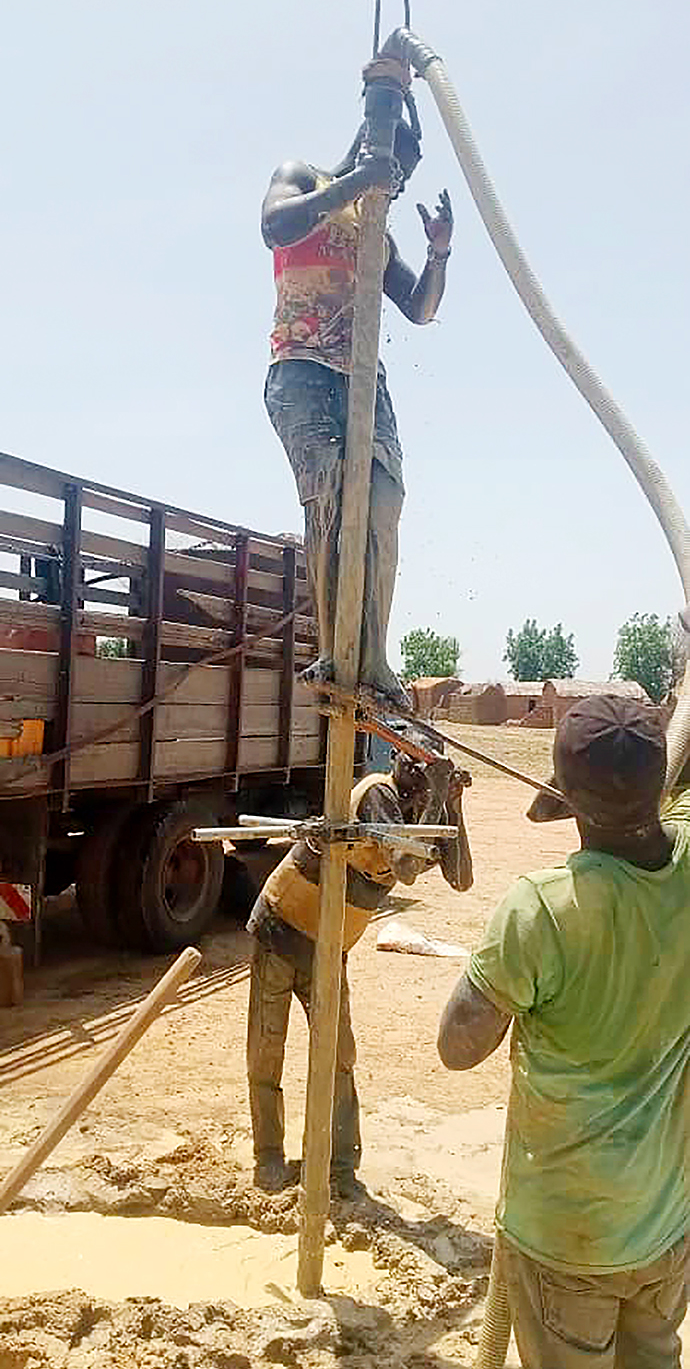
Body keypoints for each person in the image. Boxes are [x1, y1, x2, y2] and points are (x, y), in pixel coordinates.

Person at [437, 694, 690, 1368]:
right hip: (664, 1229)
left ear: (566, 795)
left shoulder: (540, 909)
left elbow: (457, 1047)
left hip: (564, 1238)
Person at [261, 113, 454, 711]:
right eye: (392, 170)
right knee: (333, 498)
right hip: (302, 370)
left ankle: (373, 658)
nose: (393, 187)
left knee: (383, 501)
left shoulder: (378, 233)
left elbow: (419, 309)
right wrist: (357, 182)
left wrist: (439, 251)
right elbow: (275, 227)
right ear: (369, 146)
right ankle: (334, 650)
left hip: (364, 378)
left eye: (401, 180)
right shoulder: (304, 177)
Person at [247, 751, 472, 1193]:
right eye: (416, 767)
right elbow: (406, 868)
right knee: (266, 1051)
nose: (420, 775)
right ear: (400, 765)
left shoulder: (428, 811)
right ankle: (268, 1157)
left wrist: (454, 806)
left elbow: (461, 878)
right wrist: (438, 798)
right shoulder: (378, 795)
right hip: (282, 927)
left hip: (329, 946)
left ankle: (338, 1165)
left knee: (338, 1057)